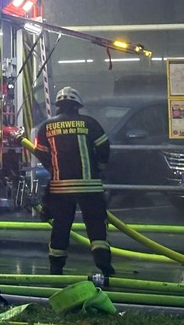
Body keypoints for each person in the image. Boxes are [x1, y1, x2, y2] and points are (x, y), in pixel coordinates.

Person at [32, 87, 114, 276]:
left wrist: (54, 169)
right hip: (90, 186)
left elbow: (41, 154)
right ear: (78, 105)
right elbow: (104, 148)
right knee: (95, 225)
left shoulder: (46, 127)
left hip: (61, 188)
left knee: (61, 226)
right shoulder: (90, 123)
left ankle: (56, 267)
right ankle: (104, 264)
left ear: (58, 106)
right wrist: (100, 168)